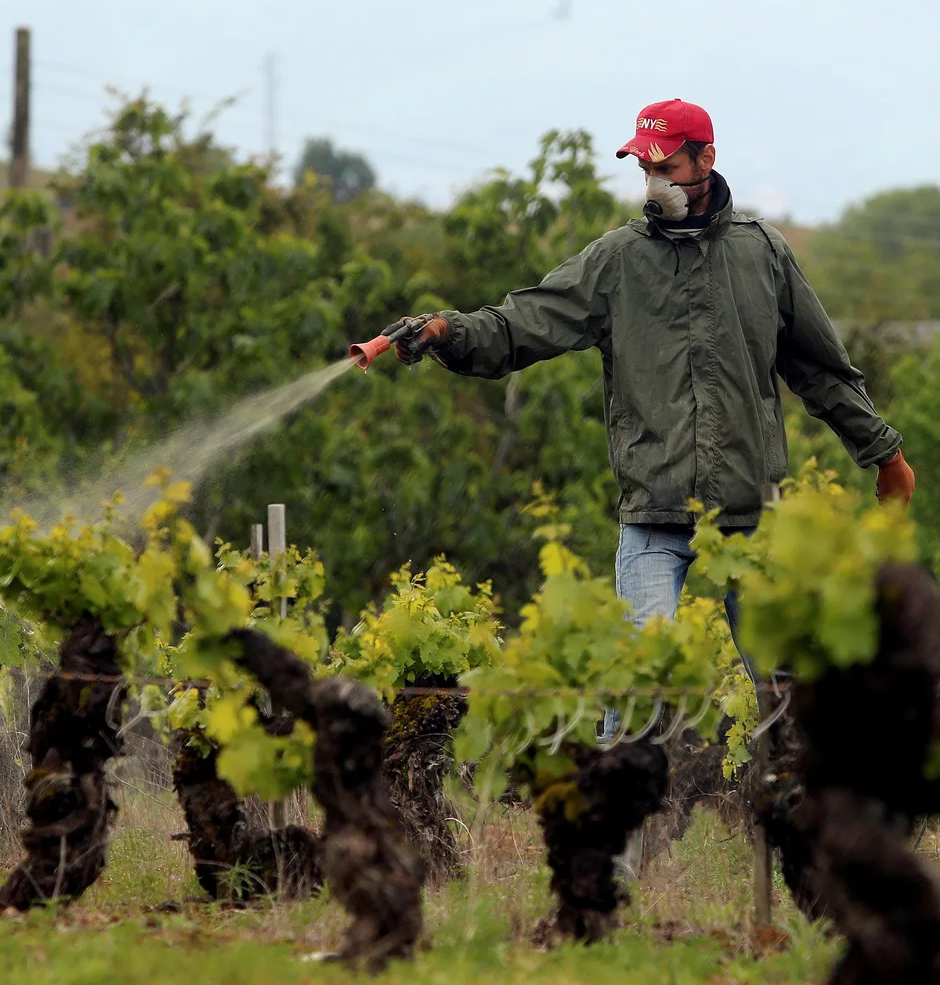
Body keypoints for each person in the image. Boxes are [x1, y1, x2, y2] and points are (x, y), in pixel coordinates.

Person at [388, 97, 913, 685]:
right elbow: (524, 323)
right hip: (653, 513)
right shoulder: (618, 259)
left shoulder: (761, 252)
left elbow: (821, 369)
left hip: (752, 512)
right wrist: (447, 331)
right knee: (638, 686)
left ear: (706, 158)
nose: (654, 182)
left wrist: (882, 451)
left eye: (666, 167)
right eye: (646, 169)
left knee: (788, 693)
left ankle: (790, 778)